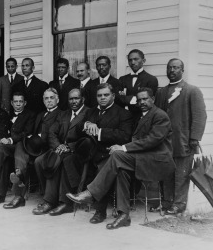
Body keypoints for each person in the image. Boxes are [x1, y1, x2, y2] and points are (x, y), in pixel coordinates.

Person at [66, 88, 175, 230]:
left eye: (145, 99)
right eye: (139, 99)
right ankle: (124, 216)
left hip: (157, 160)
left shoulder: (160, 115)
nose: (142, 102)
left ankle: (90, 193)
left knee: (117, 155)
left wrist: (123, 148)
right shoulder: (140, 115)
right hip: (140, 157)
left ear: (153, 99)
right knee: (121, 169)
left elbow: (152, 140)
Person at [155, 58, 207, 215]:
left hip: (183, 141)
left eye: (176, 68)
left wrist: (194, 138)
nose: (172, 70)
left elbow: (200, 116)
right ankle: (166, 203)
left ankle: (179, 204)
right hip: (165, 142)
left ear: (182, 70)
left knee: (181, 174)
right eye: (169, 68)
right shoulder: (161, 92)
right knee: (166, 173)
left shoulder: (192, 91)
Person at [77, 83, 134, 223]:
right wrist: (87, 125)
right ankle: (67, 201)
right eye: (99, 95)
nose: (102, 98)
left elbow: (125, 136)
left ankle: (99, 212)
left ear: (113, 96)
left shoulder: (123, 113)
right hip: (90, 153)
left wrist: (100, 131)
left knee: (102, 168)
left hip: (109, 153)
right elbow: (77, 128)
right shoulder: (90, 112)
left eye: (106, 95)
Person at [33, 88, 89, 216]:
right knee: (39, 160)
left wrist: (69, 146)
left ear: (83, 99)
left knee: (62, 161)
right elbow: (52, 132)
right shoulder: (64, 114)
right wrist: (58, 146)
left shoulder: (89, 113)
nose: (73, 101)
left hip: (78, 152)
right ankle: (50, 195)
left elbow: (87, 139)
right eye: (71, 99)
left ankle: (62, 202)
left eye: (76, 98)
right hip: (60, 150)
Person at [6, 87, 62, 208]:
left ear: (57, 99)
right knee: (20, 144)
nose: (49, 101)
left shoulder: (61, 114)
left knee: (31, 157)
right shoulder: (40, 114)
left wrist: (37, 137)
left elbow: (54, 134)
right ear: (43, 101)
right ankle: (19, 177)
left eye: (52, 98)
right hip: (34, 146)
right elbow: (30, 131)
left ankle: (19, 190)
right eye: (46, 98)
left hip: (47, 148)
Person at [118, 49, 158, 121]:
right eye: (130, 60)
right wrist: (133, 99)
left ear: (143, 61)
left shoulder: (151, 79)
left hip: (143, 119)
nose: (133, 62)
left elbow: (148, 102)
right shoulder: (122, 79)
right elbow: (118, 99)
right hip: (124, 118)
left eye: (136, 59)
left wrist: (126, 98)